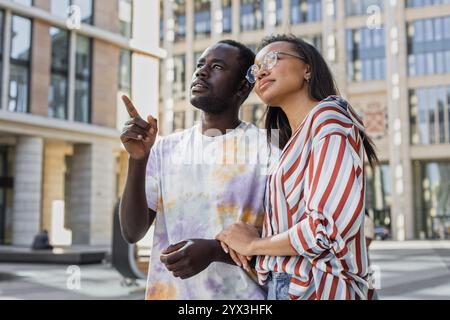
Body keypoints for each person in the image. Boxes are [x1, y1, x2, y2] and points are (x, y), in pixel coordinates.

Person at [216, 34, 378, 300]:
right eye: (254, 70)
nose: (261, 72)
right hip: (292, 285)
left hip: (318, 286)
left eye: (272, 59)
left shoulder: (329, 120)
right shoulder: (296, 139)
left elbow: (326, 229)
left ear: (307, 69)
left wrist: (255, 244)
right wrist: (255, 236)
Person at [119, 40, 271, 300]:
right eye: (200, 65)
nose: (201, 72)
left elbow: (283, 243)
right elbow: (132, 232)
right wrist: (137, 160)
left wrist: (214, 251)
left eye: (217, 67)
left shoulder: (269, 149)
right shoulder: (166, 148)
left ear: (242, 87)